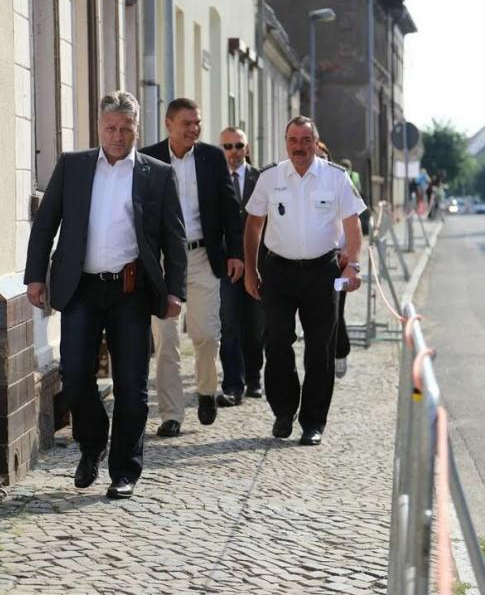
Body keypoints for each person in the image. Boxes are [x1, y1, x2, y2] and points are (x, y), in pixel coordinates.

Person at [24, 92, 187, 499]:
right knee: (75, 377)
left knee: (131, 384)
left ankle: (125, 470)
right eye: (111, 128)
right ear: (99, 127)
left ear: (137, 130)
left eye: (125, 129)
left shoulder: (157, 174)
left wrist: (176, 290)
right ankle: (92, 444)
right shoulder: (73, 166)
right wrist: (35, 277)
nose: (117, 136)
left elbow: (174, 238)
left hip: (132, 292)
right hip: (81, 288)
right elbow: (46, 224)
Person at [244, 116, 366, 446]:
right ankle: (284, 412)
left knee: (320, 350)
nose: (299, 147)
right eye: (293, 140)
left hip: (322, 272)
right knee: (277, 342)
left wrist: (353, 265)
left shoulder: (336, 177)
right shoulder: (270, 177)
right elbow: (254, 224)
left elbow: (353, 224)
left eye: (306, 140)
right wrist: (251, 269)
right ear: (286, 142)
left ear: (316, 142)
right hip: (278, 272)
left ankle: (313, 422)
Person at [141, 98, 243, 437]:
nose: (194, 128)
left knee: (207, 334)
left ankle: (206, 391)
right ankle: (171, 414)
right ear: (169, 124)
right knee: (166, 339)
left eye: (197, 122)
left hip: (202, 257)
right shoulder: (148, 159)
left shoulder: (212, 157)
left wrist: (236, 253)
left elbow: (230, 209)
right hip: (163, 262)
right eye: (187, 123)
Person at [217, 127, 265, 406]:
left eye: (238, 146)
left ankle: (254, 378)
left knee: (256, 325)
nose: (233, 151)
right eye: (227, 146)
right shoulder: (215, 179)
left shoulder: (261, 179)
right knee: (229, 323)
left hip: (257, 263)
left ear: (247, 148)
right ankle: (233, 384)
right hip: (226, 265)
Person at [317, 141, 350, 379]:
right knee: (316, 314)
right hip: (312, 260)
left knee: (336, 309)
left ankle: (340, 350)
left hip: (339, 260)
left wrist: (348, 252)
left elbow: (352, 222)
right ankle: (321, 359)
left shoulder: (340, 183)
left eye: (323, 157)